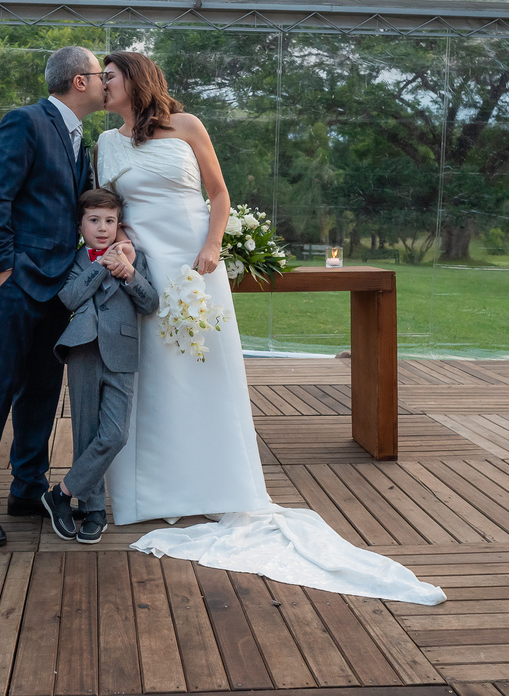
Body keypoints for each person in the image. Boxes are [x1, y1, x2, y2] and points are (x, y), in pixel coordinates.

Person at [94, 51, 445, 605]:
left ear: (134, 81)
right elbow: (111, 210)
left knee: (207, 372)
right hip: (146, 268)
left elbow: (218, 194)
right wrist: (122, 249)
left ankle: (218, 484)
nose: (100, 86)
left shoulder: (187, 127)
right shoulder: (106, 143)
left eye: (108, 78)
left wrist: (212, 247)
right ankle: (152, 493)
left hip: (195, 263)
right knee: (153, 376)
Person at [0, 46, 109, 547]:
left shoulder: (79, 138)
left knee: (43, 393)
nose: (107, 83)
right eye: (99, 74)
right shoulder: (24, 122)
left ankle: (27, 489)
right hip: (18, 283)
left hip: (59, 286)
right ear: (79, 81)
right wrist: (3, 269)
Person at [41, 188, 158, 544]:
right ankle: (93, 509)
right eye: (94, 221)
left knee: (115, 434)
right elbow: (69, 297)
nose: (103, 228)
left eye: (110, 221)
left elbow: (151, 302)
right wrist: (98, 265)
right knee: (85, 433)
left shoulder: (133, 258)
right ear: (81, 225)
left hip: (121, 351)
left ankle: (60, 493)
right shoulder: (75, 259)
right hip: (83, 351)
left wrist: (128, 273)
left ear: (119, 223)